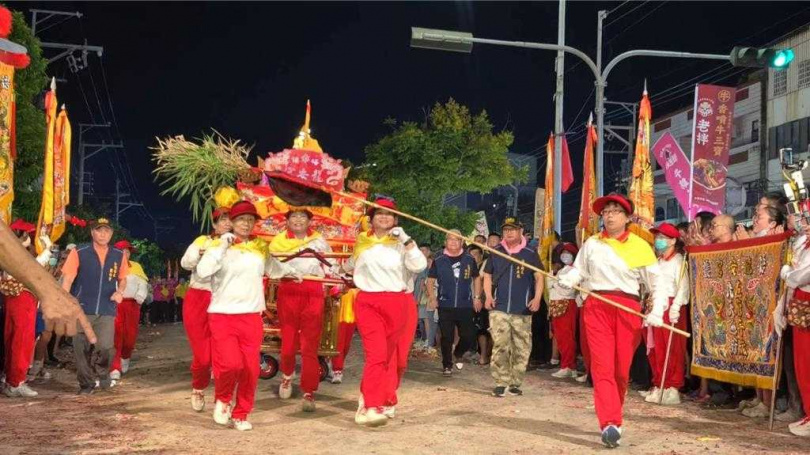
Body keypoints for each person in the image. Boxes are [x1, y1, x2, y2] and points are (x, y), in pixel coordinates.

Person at [558, 193, 667, 448]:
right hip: (597, 306)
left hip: (627, 307)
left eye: (615, 211)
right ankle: (609, 422)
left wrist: (658, 310)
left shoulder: (640, 246)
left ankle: (614, 417)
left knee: (621, 369)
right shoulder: (592, 243)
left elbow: (656, 283)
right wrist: (569, 280)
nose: (609, 215)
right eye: (606, 211)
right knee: (602, 366)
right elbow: (579, 270)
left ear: (627, 217)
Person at [197, 200, 301, 431]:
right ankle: (223, 399)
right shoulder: (218, 245)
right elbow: (203, 272)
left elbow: (275, 268)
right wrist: (222, 245)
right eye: (241, 219)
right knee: (230, 365)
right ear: (232, 222)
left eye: (250, 220)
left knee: (251, 369)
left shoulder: (260, 247)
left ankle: (242, 413)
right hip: (222, 315)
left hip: (251, 316)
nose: (246, 223)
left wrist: (294, 272)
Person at [344, 196, 426, 427]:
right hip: (369, 302)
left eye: (389, 213)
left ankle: (384, 397)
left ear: (396, 219)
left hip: (398, 303)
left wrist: (407, 241)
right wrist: (336, 270)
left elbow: (419, 266)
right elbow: (350, 264)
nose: (384, 216)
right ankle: (370, 404)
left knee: (396, 360)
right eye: (379, 212)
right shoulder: (362, 242)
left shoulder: (403, 243)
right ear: (371, 218)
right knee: (377, 355)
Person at [269, 208, 334, 412]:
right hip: (288, 290)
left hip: (313, 292)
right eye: (294, 216)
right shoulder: (278, 242)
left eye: (302, 217)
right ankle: (287, 376)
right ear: (287, 221)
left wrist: (336, 280)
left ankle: (309, 391)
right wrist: (288, 272)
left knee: (310, 345)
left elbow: (330, 264)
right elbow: (271, 266)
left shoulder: (319, 241)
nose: (298, 220)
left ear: (309, 221)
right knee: (288, 342)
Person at [61, 218, 128, 395]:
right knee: (81, 349)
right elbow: (67, 279)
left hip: (107, 309)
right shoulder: (79, 252)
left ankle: (102, 374)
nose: (103, 234)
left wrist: (119, 292)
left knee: (105, 347)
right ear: (92, 232)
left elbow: (123, 279)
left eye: (107, 231)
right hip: (82, 308)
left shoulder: (118, 255)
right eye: (99, 230)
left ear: (111, 234)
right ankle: (86, 384)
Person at [0, 221, 96, 344]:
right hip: (21, 298)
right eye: (30, 236)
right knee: (21, 337)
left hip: (28, 299)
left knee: (23, 337)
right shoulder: (18, 258)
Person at [483, 217, 543, 398]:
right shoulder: (496, 252)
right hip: (499, 307)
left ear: (520, 231)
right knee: (500, 345)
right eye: (506, 229)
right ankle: (501, 382)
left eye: (513, 229)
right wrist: (487, 296)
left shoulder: (529, 252)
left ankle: (515, 382)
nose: (509, 233)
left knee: (521, 347)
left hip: (522, 309)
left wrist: (537, 298)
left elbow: (539, 276)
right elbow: (487, 275)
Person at [179, 207, 232, 412]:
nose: (226, 224)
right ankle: (198, 387)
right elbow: (186, 263)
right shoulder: (202, 241)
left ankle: (222, 399)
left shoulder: (239, 246)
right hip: (198, 298)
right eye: (222, 220)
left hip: (224, 300)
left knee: (222, 353)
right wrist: (201, 252)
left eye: (230, 220)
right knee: (203, 356)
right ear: (215, 224)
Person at [1, 220, 52, 397]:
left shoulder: (10, 253)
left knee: (14, 339)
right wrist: (47, 250)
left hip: (19, 300)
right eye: (31, 235)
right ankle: (16, 382)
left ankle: (10, 379)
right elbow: (31, 270)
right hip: (22, 300)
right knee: (20, 341)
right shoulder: (16, 254)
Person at [641, 223, 688, 406]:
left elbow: (683, 287)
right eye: (657, 238)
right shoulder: (657, 261)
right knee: (656, 347)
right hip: (655, 305)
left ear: (673, 241)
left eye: (663, 238)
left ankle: (673, 386)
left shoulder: (678, 261)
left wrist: (676, 306)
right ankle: (660, 382)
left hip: (671, 307)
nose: (658, 241)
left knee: (673, 348)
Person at [427, 230, 481, 376]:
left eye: (457, 239)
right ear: (446, 241)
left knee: (469, 335)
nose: (453, 242)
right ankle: (447, 365)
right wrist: (432, 297)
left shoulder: (469, 258)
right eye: (450, 239)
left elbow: (476, 278)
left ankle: (458, 352)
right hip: (445, 304)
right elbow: (430, 280)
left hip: (465, 304)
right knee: (447, 337)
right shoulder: (439, 258)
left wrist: (476, 297)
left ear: (462, 242)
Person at [776, 214, 810, 437]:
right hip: (799, 303)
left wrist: (787, 272)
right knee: (801, 363)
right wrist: (781, 308)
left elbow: (801, 275)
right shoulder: (802, 243)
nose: (804, 225)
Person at [110, 240, 150, 380]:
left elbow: (143, 284)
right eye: (122, 251)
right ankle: (115, 366)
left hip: (132, 305)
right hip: (115, 305)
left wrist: (139, 298)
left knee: (130, 336)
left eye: (127, 251)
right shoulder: (111, 266)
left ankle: (125, 357)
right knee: (116, 335)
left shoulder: (136, 267)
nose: (125, 254)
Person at [546, 242, 583, 380]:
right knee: (560, 336)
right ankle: (565, 364)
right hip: (556, 304)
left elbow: (567, 289)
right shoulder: (560, 270)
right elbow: (551, 288)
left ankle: (569, 366)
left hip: (567, 303)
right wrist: (554, 279)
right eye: (563, 253)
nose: (565, 256)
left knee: (567, 337)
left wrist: (554, 281)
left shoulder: (574, 271)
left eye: (568, 253)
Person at [468, 244, 491, 365]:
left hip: (483, 301)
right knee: (477, 329)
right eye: (471, 255)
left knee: (484, 330)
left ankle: (484, 356)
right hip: (470, 301)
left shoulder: (485, 265)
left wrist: (479, 299)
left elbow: (482, 282)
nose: (473, 257)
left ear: (481, 255)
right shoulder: (470, 266)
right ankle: (481, 354)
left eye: (476, 255)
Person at [414, 246, 437, 352]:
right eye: (420, 250)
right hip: (419, 293)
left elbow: (426, 282)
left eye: (423, 250)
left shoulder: (430, 263)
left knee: (428, 318)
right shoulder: (420, 263)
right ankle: (425, 339)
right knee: (423, 319)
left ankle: (429, 341)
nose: (421, 252)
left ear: (429, 251)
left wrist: (423, 295)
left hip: (426, 295)